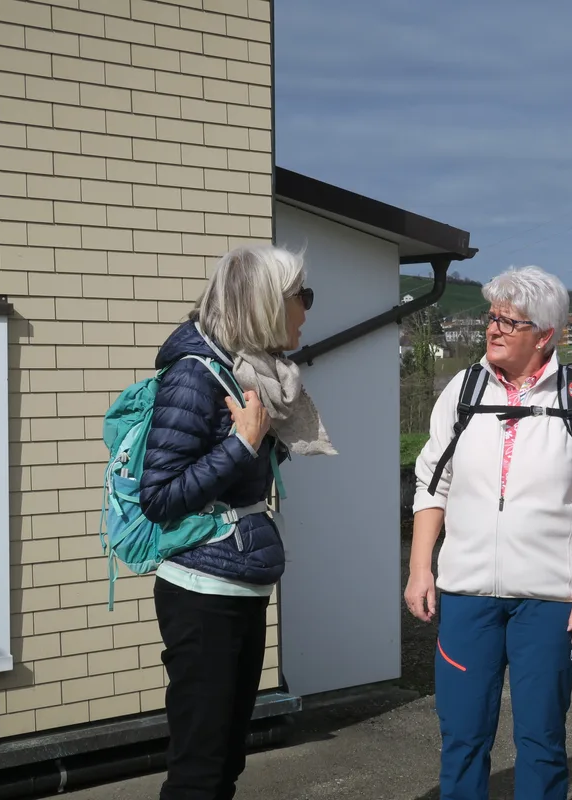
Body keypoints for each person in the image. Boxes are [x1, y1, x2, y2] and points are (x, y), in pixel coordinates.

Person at [407, 265, 572, 800]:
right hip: (466, 598)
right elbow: (432, 485)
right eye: (492, 317)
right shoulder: (462, 391)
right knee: (461, 739)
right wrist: (420, 569)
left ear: (544, 335)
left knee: (542, 742)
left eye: (510, 321)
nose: (494, 329)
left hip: (550, 603)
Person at [139, 243, 336, 800]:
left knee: (225, 762)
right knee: (199, 771)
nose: (307, 310)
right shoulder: (194, 377)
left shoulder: (247, 372)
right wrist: (244, 444)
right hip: (202, 596)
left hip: (236, 584)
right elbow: (159, 496)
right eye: (303, 297)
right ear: (268, 304)